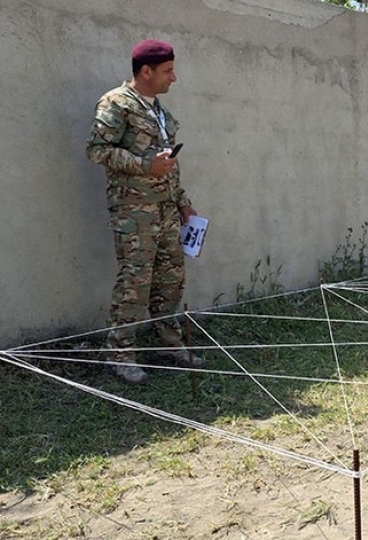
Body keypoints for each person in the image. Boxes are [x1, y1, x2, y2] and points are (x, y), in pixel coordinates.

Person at [86, 39, 202, 384]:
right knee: (135, 284)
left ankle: (169, 345)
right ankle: (119, 354)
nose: (174, 78)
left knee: (170, 281)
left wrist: (182, 201)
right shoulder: (116, 103)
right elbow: (96, 149)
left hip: (166, 211)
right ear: (146, 71)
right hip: (134, 213)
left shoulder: (161, 113)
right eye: (168, 71)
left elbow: (168, 165)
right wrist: (142, 165)